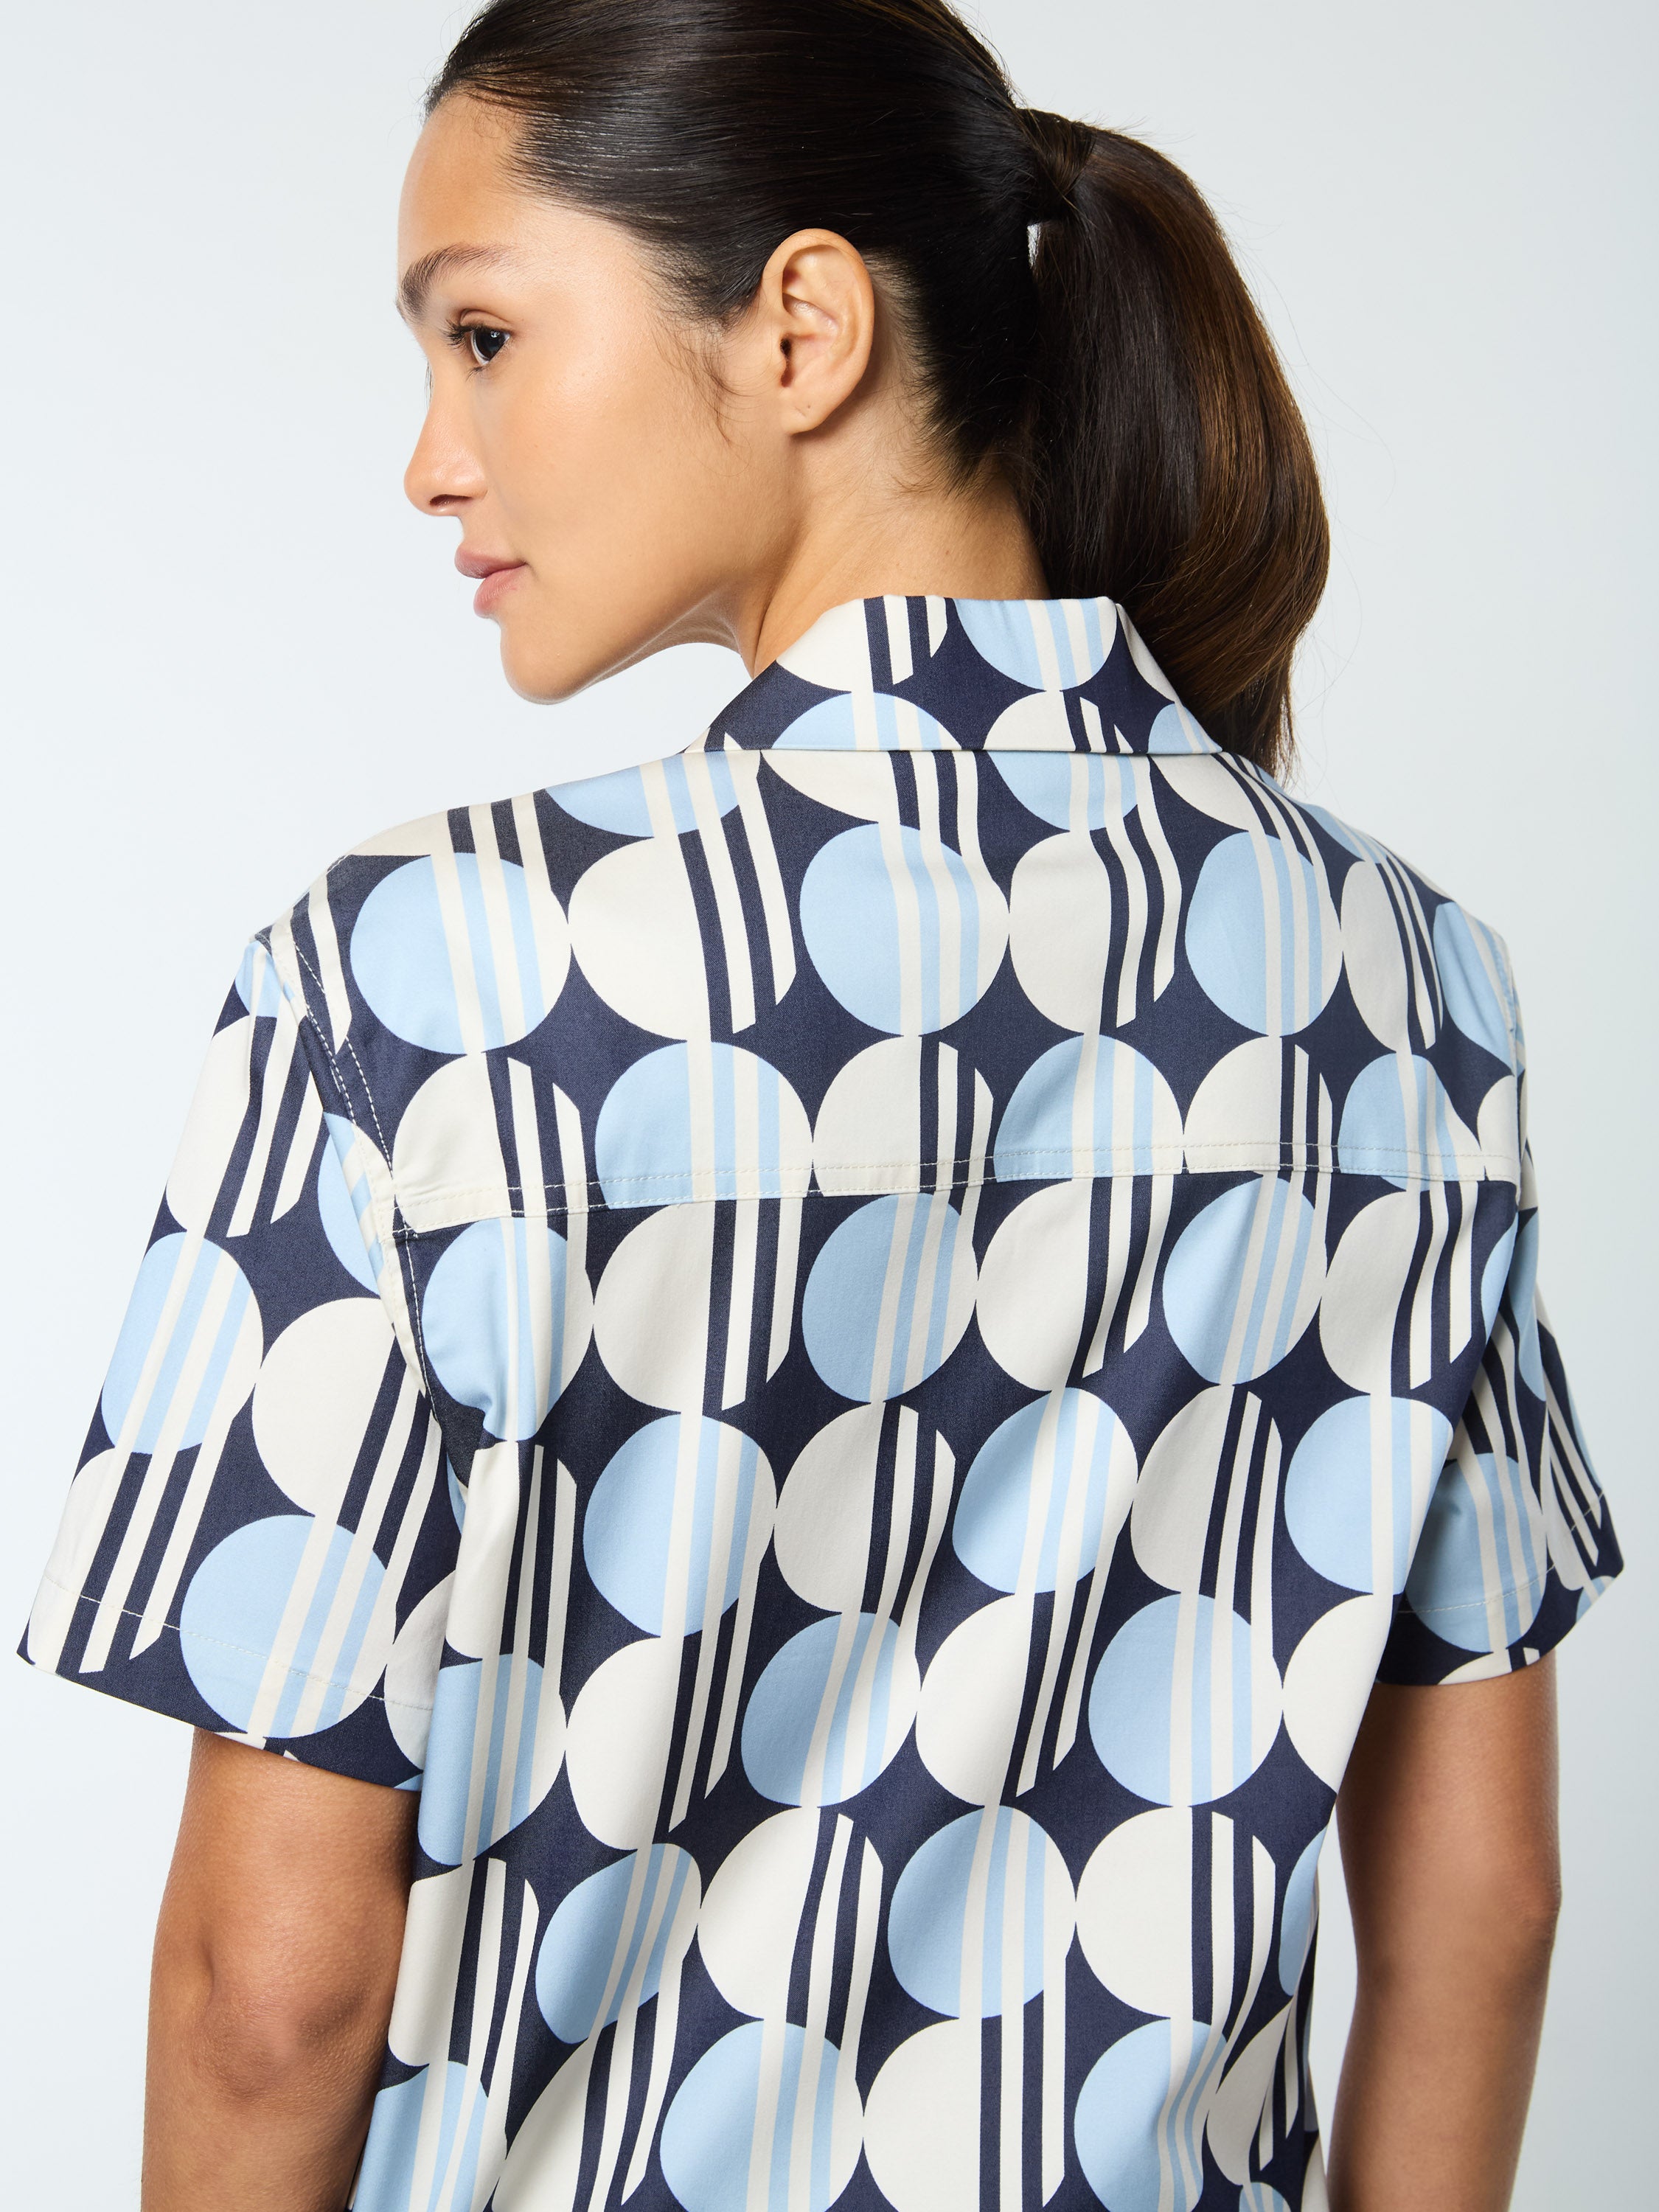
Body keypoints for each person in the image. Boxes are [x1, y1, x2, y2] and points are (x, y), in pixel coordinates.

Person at [19, 1, 1621, 2208]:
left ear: (802, 326)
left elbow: (267, 1991)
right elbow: (1484, 1906)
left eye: (482, 337)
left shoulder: (421, 981)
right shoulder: (1412, 986)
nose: (430, 459)